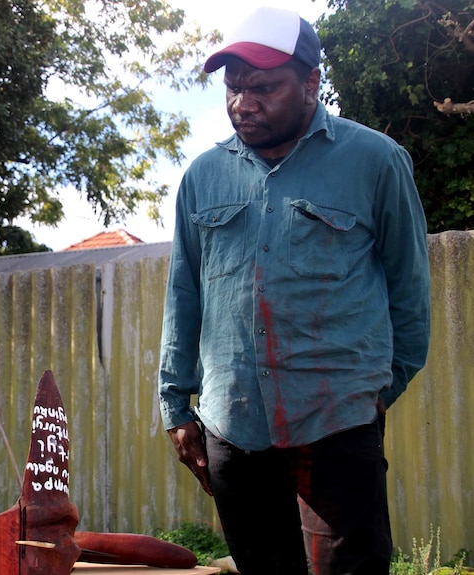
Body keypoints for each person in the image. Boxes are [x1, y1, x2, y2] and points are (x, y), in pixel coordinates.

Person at [157, 6, 431, 575]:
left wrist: (381, 389)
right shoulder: (203, 178)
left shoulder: (375, 161)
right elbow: (184, 294)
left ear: (311, 84)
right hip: (233, 422)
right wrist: (176, 406)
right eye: (233, 88)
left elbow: (410, 291)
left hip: (337, 419)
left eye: (262, 89)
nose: (243, 104)